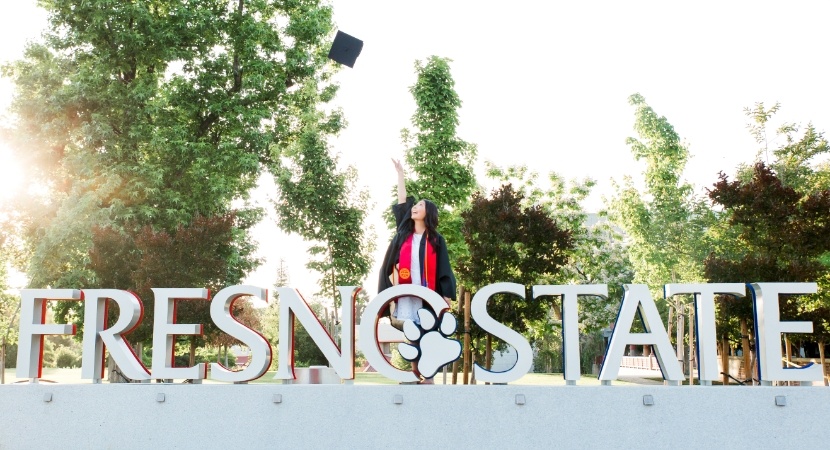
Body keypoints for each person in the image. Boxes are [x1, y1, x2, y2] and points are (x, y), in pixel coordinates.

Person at [378, 159, 457, 381]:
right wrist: (400, 174)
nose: (415, 207)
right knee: (412, 331)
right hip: (406, 290)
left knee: (428, 330)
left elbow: (443, 266)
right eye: (415, 205)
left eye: (420, 205)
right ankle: (416, 373)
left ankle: (429, 374)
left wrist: (445, 294)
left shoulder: (436, 239)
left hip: (428, 291)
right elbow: (402, 202)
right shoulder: (404, 234)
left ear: (429, 212)